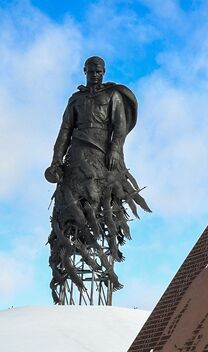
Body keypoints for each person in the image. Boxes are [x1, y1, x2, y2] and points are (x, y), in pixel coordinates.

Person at [45, 56, 150, 303]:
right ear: (84, 71)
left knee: (98, 203)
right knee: (71, 209)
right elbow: (64, 132)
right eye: (91, 70)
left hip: (102, 155)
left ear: (104, 72)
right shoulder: (76, 100)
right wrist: (56, 161)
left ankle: (101, 264)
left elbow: (120, 127)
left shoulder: (112, 96)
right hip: (77, 155)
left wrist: (115, 151)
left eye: (99, 71)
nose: (95, 74)